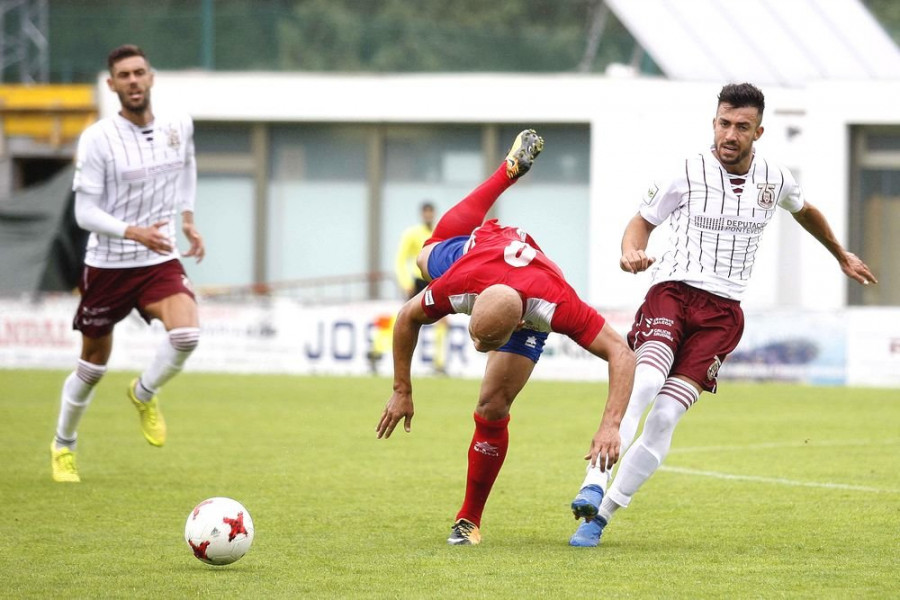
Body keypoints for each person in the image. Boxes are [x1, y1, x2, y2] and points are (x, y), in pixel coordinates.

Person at [568, 82, 878, 546]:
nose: (729, 134)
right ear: (714, 123)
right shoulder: (686, 171)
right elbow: (641, 221)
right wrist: (632, 252)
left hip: (723, 314)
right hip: (672, 292)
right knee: (647, 380)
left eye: (741, 127)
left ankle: (603, 515)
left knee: (666, 416)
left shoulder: (775, 178)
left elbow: (805, 210)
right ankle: (592, 482)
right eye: (723, 123)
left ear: (759, 132)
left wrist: (839, 253)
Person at [376, 130, 636, 545]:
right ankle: (508, 171)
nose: (478, 350)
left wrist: (610, 425)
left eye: (485, 345)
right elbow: (407, 318)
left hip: (529, 283)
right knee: (428, 254)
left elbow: (621, 352)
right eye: (475, 339)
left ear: (516, 328)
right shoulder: (457, 285)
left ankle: (468, 520)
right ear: (469, 306)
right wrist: (401, 389)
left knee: (493, 405)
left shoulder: (555, 305)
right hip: (479, 252)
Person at [50, 44, 204, 483]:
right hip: (108, 265)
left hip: (159, 259)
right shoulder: (98, 138)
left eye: (139, 72)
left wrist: (188, 218)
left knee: (188, 334)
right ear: (111, 84)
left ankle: (144, 391)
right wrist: (134, 231)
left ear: (151, 77)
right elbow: (84, 213)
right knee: (93, 366)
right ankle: (64, 445)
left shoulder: (179, 124)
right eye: (124, 75)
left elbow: (188, 164)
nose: (133, 81)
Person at [393, 201, 446, 374]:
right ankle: (378, 351)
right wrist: (405, 282)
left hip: (434, 282)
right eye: (426, 212)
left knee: (443, 322)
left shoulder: (439, 233)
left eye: (431, 212)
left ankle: (438, 363)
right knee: (404, 321)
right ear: (422, 214)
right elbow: (400, 259)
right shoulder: (412, 234)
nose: (428, 216)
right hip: (416, 283)